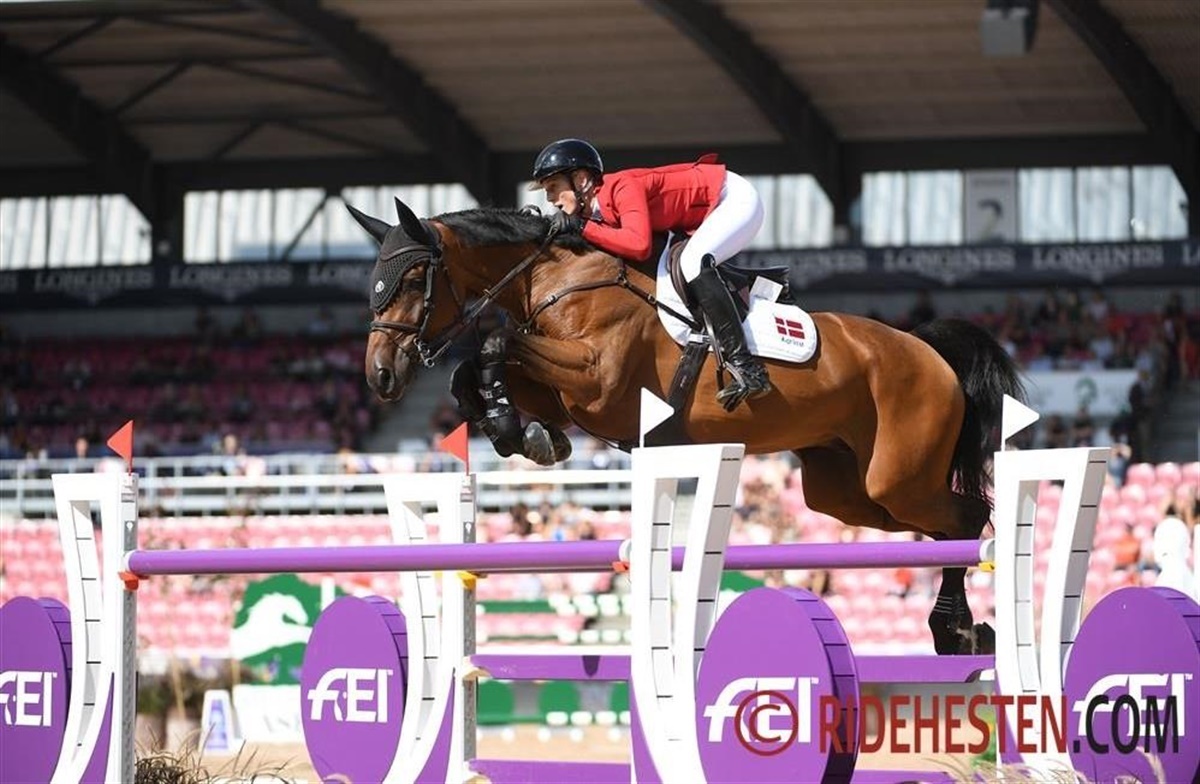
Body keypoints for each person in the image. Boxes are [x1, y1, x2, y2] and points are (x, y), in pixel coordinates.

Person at [527, 138, 769, 410]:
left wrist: (580, 227)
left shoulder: (622, 186)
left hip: (733, 199)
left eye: (553, 187)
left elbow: (639, 246)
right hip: (705, 212)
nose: (550, 199)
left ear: (581, 180)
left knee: (693, 262)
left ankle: (747, 368)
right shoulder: (592, 212)